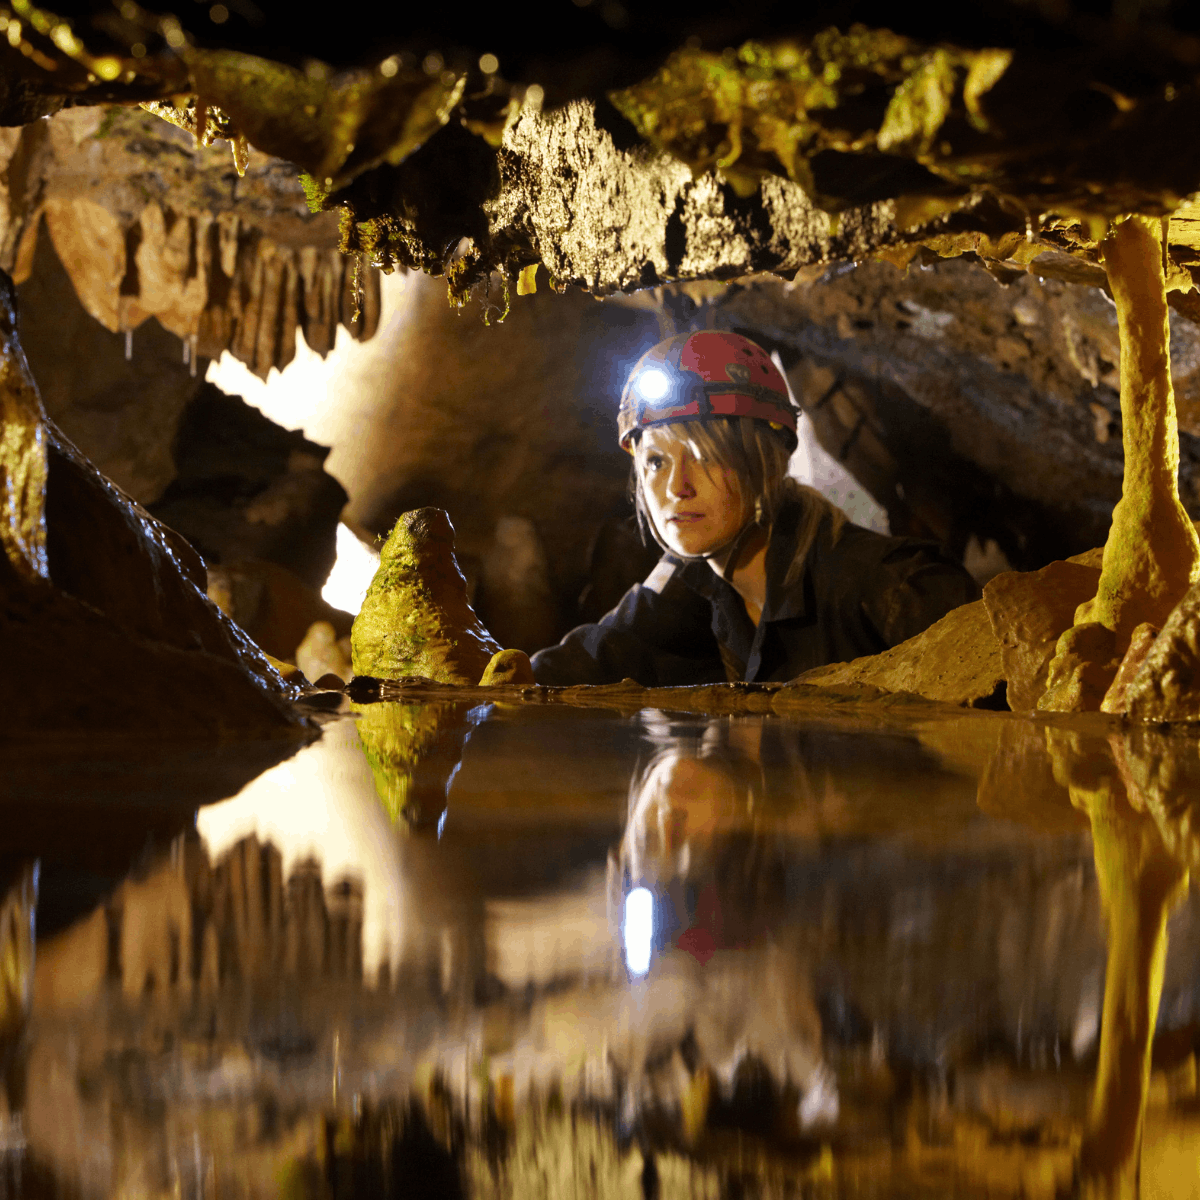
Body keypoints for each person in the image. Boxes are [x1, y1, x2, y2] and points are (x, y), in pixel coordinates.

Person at [531, 330, 978, 687]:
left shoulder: (890, 587)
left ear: (768, 463)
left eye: (705, 457)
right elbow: (578, 665)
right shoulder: (689, 579)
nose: (676, 487)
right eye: (656, 461)